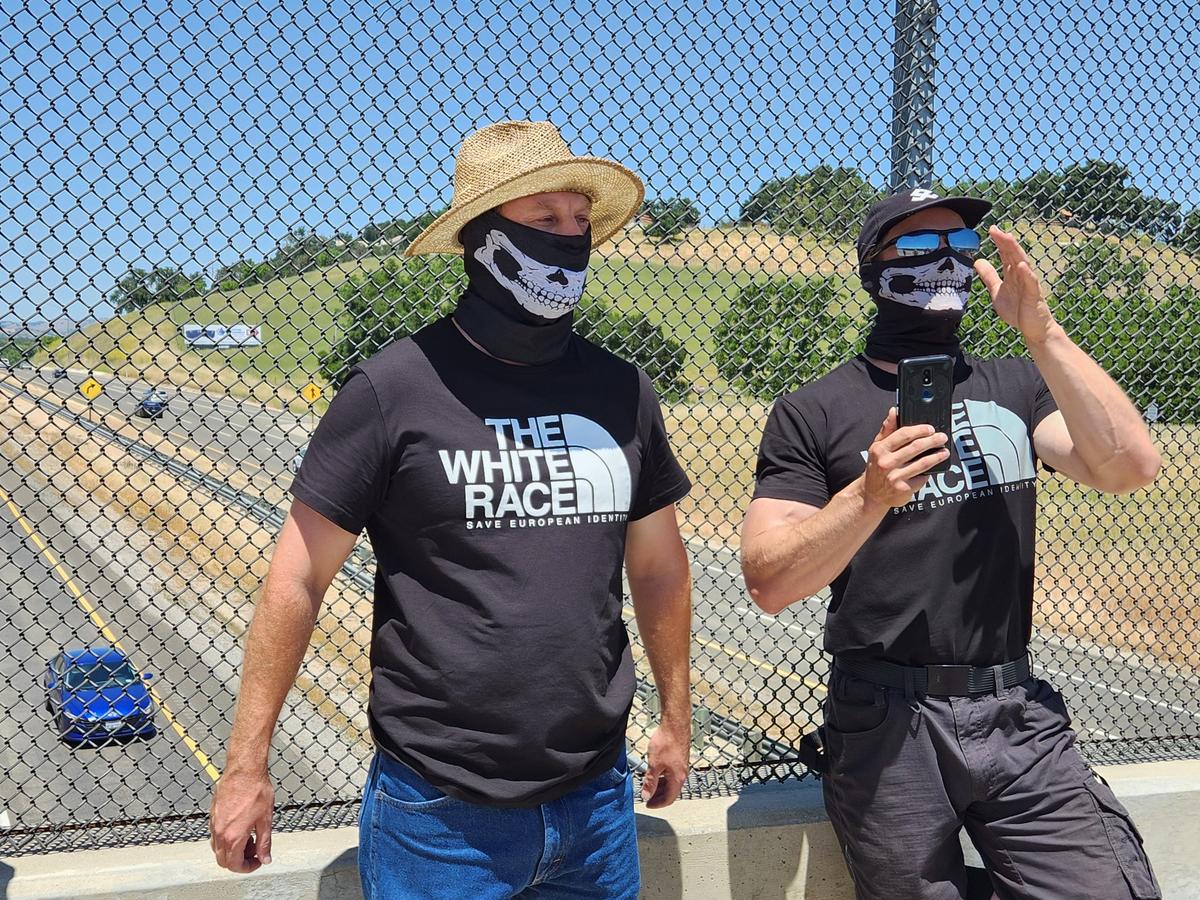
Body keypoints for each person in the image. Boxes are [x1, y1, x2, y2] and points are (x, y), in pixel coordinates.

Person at [209, 120, 694, 899]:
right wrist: (245, 767)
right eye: (545, 221)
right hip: (439, 817)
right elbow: (294, 581)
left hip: (597, 801)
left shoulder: (621, 389)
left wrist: (676, 716)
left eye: (580, 222)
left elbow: (660, 569)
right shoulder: (391, 389)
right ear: (483, 240)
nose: (571, 241)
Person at [740, 188, 1162, 900]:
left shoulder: (1017, 385)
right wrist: (867, 496)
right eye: (915, 246)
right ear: (871, 266)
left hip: (1016, 708)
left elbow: (1129, 467)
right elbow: (769, 580)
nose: (944, 261)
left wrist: (1043, 332)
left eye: (960, 248)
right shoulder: (814, 411)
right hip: (886, 720)